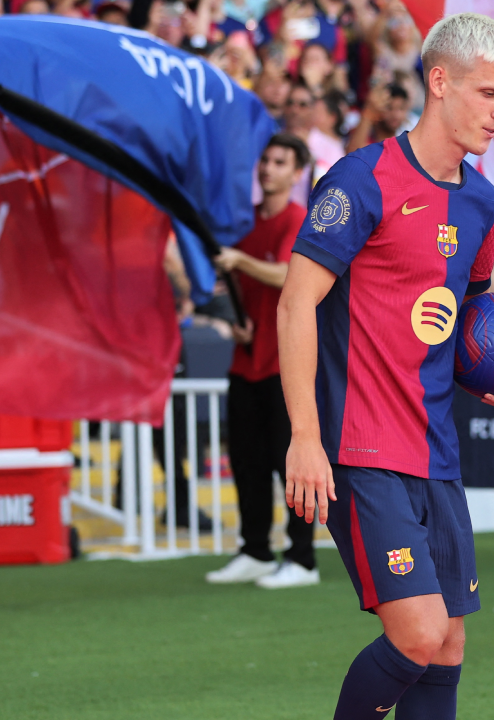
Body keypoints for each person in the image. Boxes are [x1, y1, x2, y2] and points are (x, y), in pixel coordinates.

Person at [277, 13, 494, 719]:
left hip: (436, 451)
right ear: (439, 81)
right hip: (361, 447)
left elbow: (467, 324)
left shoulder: (481, 200)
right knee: (419, 633)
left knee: (448, 645)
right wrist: (304, 436)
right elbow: (296, 303)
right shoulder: (361, 179)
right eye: (488, 93)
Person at [206, 134, 319, 588]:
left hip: (286, 366)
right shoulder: (245, 222)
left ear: (297, 173)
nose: (268, 168)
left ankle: (302, 559)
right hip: (246, 360)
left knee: (288, 464)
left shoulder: (300, 219)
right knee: (246, 461)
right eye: (266, 160)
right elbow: (237, 287)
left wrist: (240, 260)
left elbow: (289, 273)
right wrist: (234, 320)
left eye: (279, 162)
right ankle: (254, 549)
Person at [345, 82, 413, 153]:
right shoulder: (360, 135)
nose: (396, 115)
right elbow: (352, 154)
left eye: (401, 108)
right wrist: (368, 114)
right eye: (389, 108)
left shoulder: (406, 145)